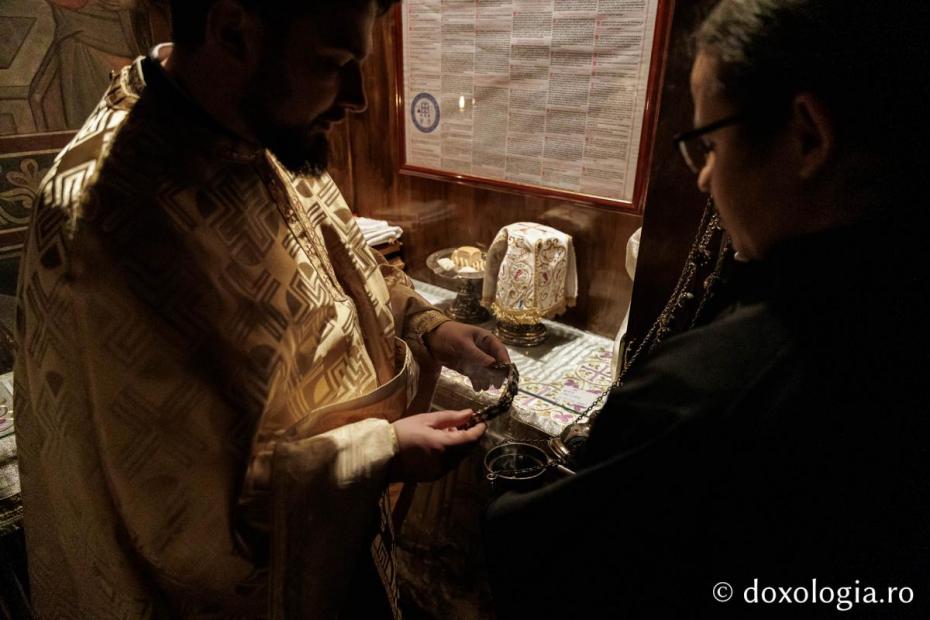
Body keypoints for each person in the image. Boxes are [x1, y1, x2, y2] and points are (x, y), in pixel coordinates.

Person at [14, 0, 511, 617]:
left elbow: (345, 265)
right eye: (333, 63)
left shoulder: (261, 124)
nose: (358, 98)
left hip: (335, 538)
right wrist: (380, 452)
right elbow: (184, 529)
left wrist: (429, 326)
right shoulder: (106, 225)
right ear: (232, 32)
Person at [484, 1, 930, 617]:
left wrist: (500, 500)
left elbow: (543, 566)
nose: (703, 179)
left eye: (711, 145)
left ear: (807, 136)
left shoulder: (703, 391)